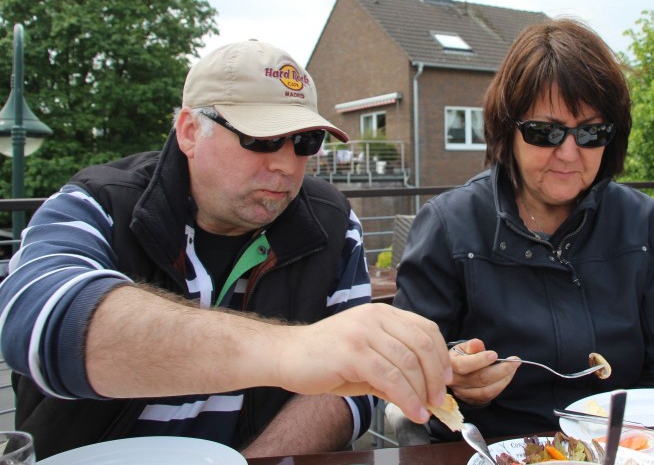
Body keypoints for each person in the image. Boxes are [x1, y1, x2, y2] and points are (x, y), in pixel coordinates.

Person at [0, 40, 451, 459]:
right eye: (260, 138)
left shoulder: (332, 223)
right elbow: (41, 323)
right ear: (189, 132)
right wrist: (291, 351)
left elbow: (354, 394)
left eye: (305, 141)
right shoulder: (100, 204)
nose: (286, 163)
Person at [393, 18, 654, 440]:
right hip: (493, 449)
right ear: (507, 130)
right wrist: (455, 381)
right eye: (545, 132)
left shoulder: (639, 221)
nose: (568, 152)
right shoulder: (449, 225)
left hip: (624, 446)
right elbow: (405, 375)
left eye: (591, 132)